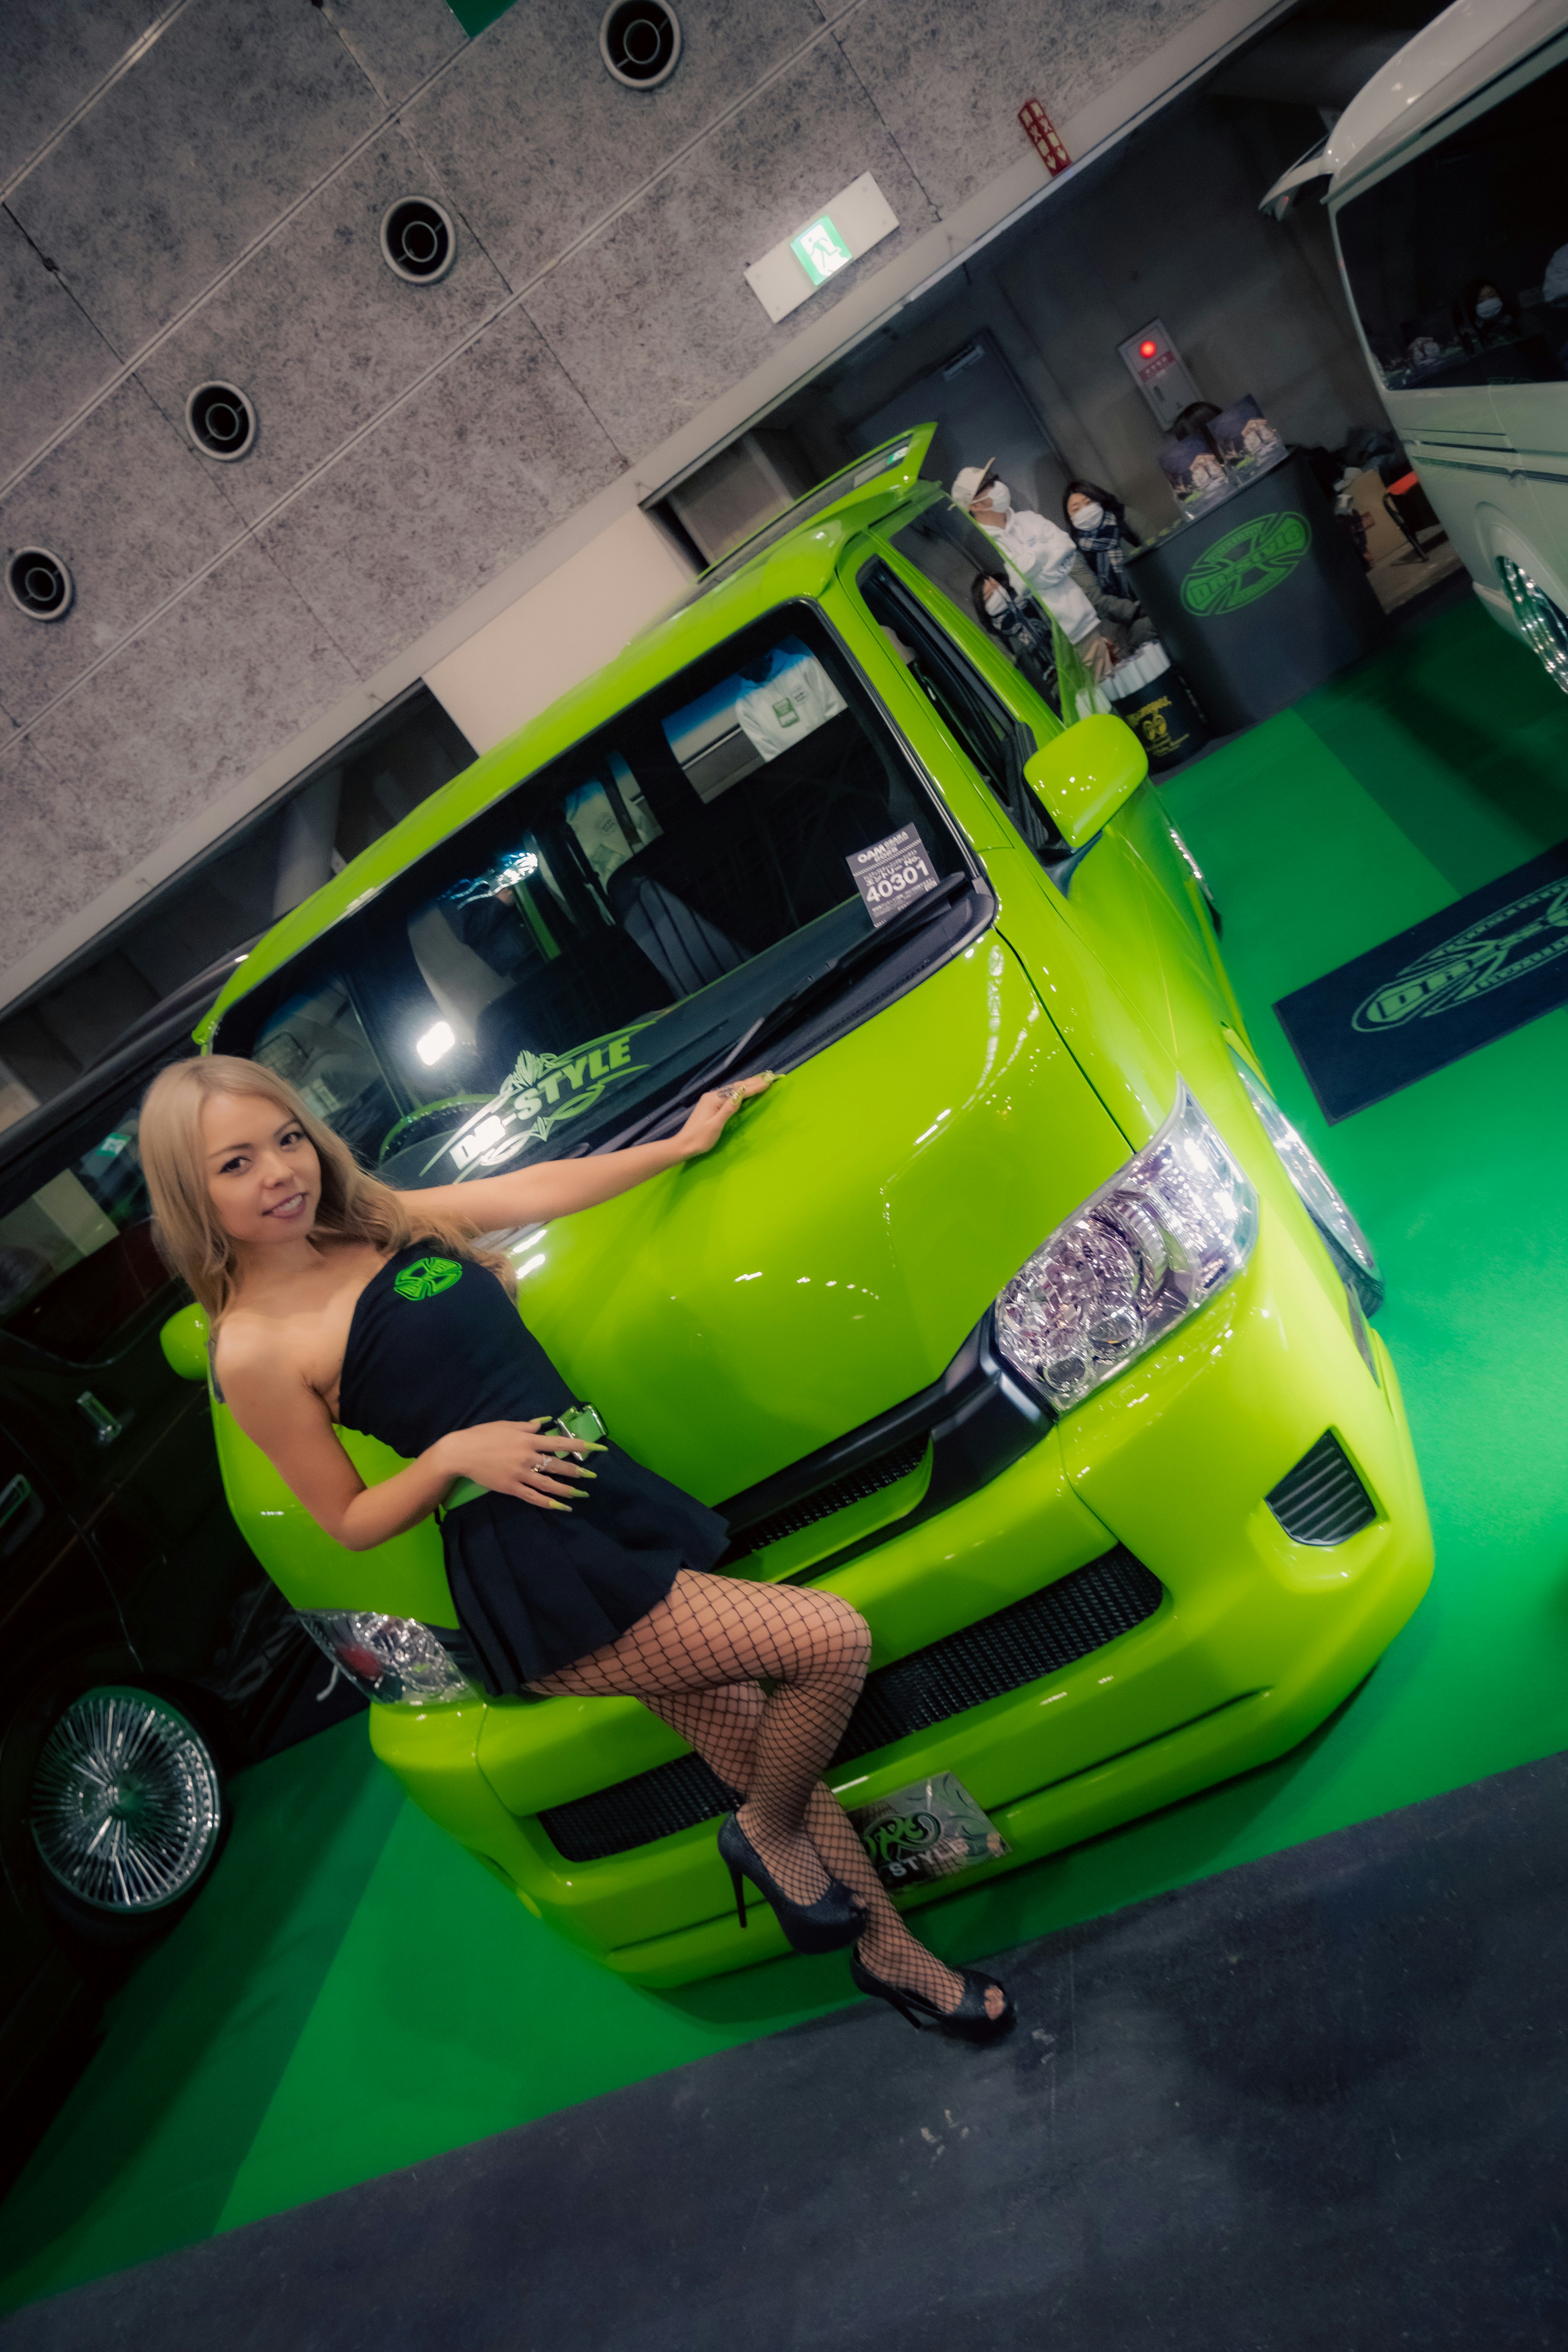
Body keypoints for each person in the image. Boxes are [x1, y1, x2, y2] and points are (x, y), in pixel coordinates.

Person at [138, 1054, 1013, 2042]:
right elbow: (346, 1517)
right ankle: (761, 1834)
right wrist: (448, 1456)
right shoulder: (249, 1346)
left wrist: (681, 1144)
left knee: (759, 1749)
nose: (278, 1173)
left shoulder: (377, 1220)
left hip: (597, 1492)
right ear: (192, 1192)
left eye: (287, 1138)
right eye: (236, 1163)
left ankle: (897, 1962)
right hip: (531, 1559)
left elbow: (529, 1191)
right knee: (829, 1641)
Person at [952, 462, 1114, 681]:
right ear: (975, 505)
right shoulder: (984, 546)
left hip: (1081, 625)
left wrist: (1031, 570)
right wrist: (1043, 556)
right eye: (988, 486)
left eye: (994, 480)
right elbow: (1015, 589)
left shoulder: (1029, 520)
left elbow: (1067, 549)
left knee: (1115, 691)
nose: (998, 486)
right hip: (1047, 649)